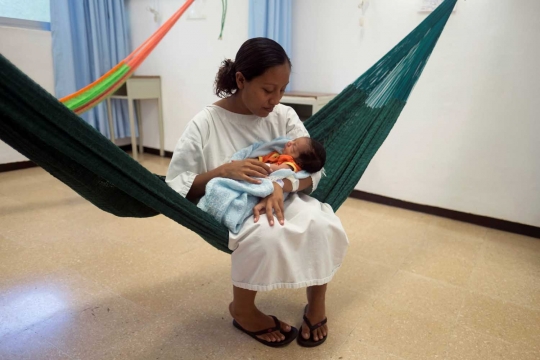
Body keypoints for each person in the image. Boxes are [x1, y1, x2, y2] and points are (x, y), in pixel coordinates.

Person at [166, 37, 349, 348]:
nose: (275, 99)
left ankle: (316, 305)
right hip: (237, 204)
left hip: (287, 195)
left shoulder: (285, 117)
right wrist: (223, 170)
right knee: (267, 234)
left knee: (323, 223)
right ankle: (244, 310)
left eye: (282, 89)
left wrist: (278, 185)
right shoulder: (205, 124)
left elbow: (314, 171)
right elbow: (176, 183)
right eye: (267, 89)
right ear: (241, 80)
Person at [257, 136, 326, 173]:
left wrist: (261, 165)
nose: (289, 142)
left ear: (299, 162)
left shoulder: (292, 164)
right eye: (294, 140)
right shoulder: (277, 155)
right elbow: (261, 159)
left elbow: (279, 169)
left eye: (293, 148)